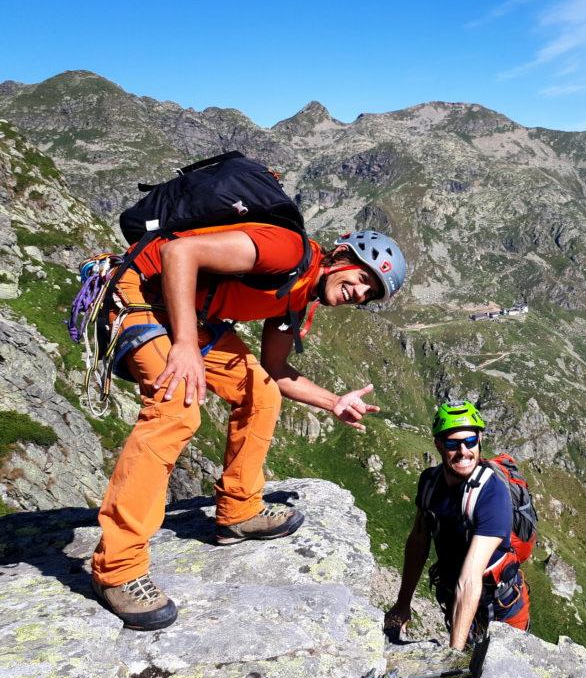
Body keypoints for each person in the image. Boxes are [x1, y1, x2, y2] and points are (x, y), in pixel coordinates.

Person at [90, 224, 406, 631]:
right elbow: (178, 255)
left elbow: (277, 371)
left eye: (370, 294)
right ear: (341, 256)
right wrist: (185, 347)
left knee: (261, 392)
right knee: (177, 410)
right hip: (139, 294)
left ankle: (238, 511)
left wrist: (333, 402)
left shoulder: (299, 301)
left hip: (184, 311)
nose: (360, 294)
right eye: (363, 279)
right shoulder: (287, 252)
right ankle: (117, 569)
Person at [384, 401, 530, 650]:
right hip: (456, 595)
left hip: (501, 603)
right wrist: (402, 603)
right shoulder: (430, 482)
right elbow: (419, 541)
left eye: (470, 442)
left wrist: (453, 654)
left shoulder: (491, 494)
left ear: (480, 439)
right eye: (453, 444)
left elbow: (470, 577)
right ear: (438, 444)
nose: (463, 451)